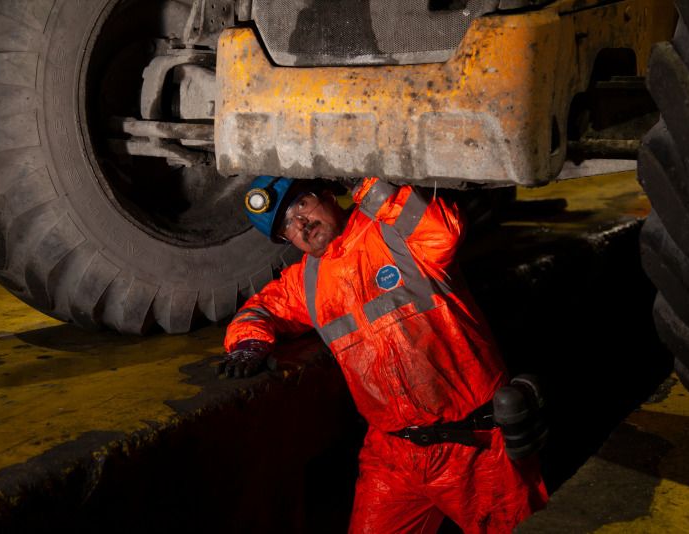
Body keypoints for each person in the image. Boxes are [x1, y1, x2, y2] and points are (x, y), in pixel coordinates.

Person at [220, 175, 548, 533]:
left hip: (475, 447)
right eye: (285, 226)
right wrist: (248, 342)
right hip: (392, 457)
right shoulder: (306, 282)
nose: (299, 223)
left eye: (301, 204)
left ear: (329, 193)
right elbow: (260, 309)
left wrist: (366, 181)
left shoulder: (391, 233)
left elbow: (443, 230)